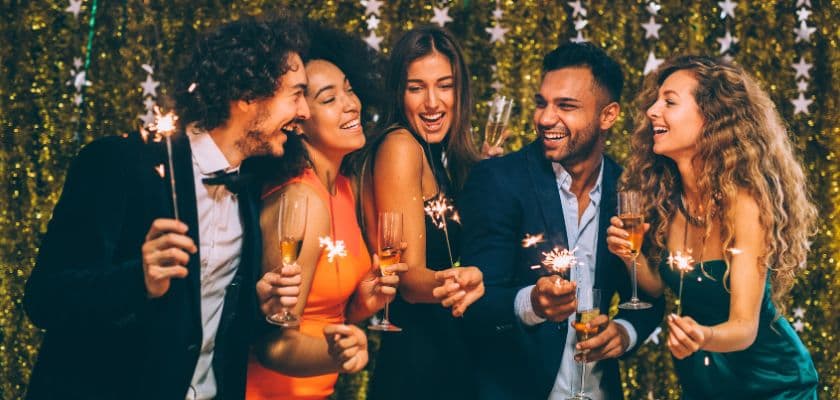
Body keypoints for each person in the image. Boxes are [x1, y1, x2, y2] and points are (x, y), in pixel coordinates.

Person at [23, 18, 308, 399]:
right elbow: (45, 299)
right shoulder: (120, 163)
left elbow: (205, 326)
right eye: (296, 94)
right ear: (247, 96)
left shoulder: (249, 186)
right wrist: (137, 280)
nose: (304, 111)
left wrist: (256, 305)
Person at [458, 42, 664, 399]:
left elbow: (649, 294)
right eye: (542, 103)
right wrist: (532, 304)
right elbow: (473, 303)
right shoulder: (498, 181)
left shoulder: (629, 191)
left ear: (608, 115)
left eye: (565, 106)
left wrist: (624, 332)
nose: (545, 118)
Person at [606, 55, 819, 399]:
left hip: (769, 382)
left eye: (670, 102)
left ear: (711, 117)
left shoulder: (744, 204)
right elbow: (660, 287)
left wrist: (701, 336)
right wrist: (630, 256)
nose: (652, 111)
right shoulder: (666, 198)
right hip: (704, 381)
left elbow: (744, 328)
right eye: (656, 100)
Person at [244, 23, 406, 400]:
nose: (351, 104)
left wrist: (360, 306)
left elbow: (323, 318)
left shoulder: (346, 188)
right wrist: (341, 353)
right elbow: (274, 344)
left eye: (349, 89)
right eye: (329, 99)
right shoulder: (301, 199)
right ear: (299, 120)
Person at [359, 26, 485, 400]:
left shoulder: (436, 156)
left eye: (444, 85)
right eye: (416, 88)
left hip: (444, 352)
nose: (432, 102)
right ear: (399, 93)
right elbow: (407, 279)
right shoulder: (401, 145)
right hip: (418, 365)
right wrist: (463, 282)